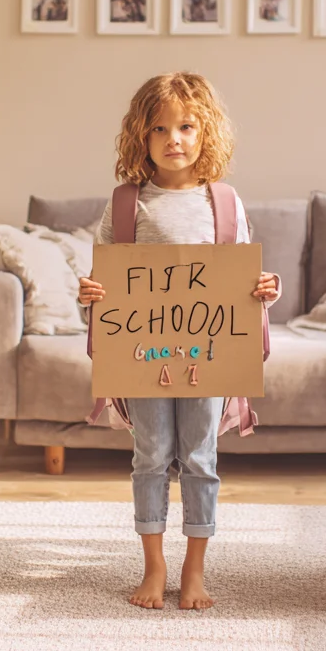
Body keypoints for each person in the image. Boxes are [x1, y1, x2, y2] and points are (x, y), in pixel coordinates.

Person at [78, 72, 281, 611]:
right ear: (141, 137)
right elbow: (103, 285)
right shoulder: (126, 204)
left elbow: (242, 283)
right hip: (144, 358)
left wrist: (264, 290)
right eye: (161, 128)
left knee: (200, 457)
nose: (175, 139)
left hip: (207, 360)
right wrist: (92, 294)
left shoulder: (225, 203)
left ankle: (194, 569)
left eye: (187, 126)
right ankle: (154, 565)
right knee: (150, 456)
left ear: (205, 131)